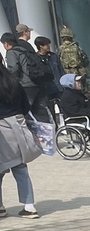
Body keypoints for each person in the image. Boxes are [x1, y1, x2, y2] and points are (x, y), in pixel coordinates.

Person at [0, 60, 39, 218]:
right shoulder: (13, 80)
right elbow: (26, 106)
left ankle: (0, 207)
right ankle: (29, 206)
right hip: (18, 125)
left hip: (2, 130)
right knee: (21, 169)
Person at [3, 29, 54, 122]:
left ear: (6, 43)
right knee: (40, 110)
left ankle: (33, 133)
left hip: (25, 85)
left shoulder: (11, 52)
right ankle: (49, 131)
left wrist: (10, 82)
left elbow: (13, 69)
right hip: (36, 82)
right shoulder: (24, 49)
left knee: (26, 111)